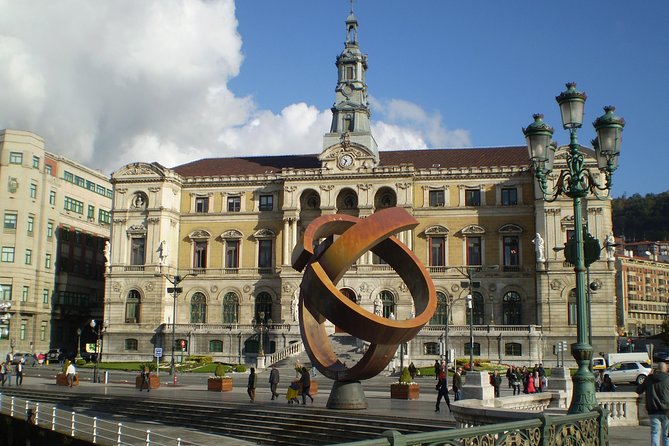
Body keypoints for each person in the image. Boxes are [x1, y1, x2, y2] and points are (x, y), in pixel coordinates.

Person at [637, 360, 669, 446]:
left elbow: (639, 390)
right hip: (667, 411)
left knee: (655, 433)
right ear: (666, 369)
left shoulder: (649, 379)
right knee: (666, 434)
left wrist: (647, 377)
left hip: (653, 410)